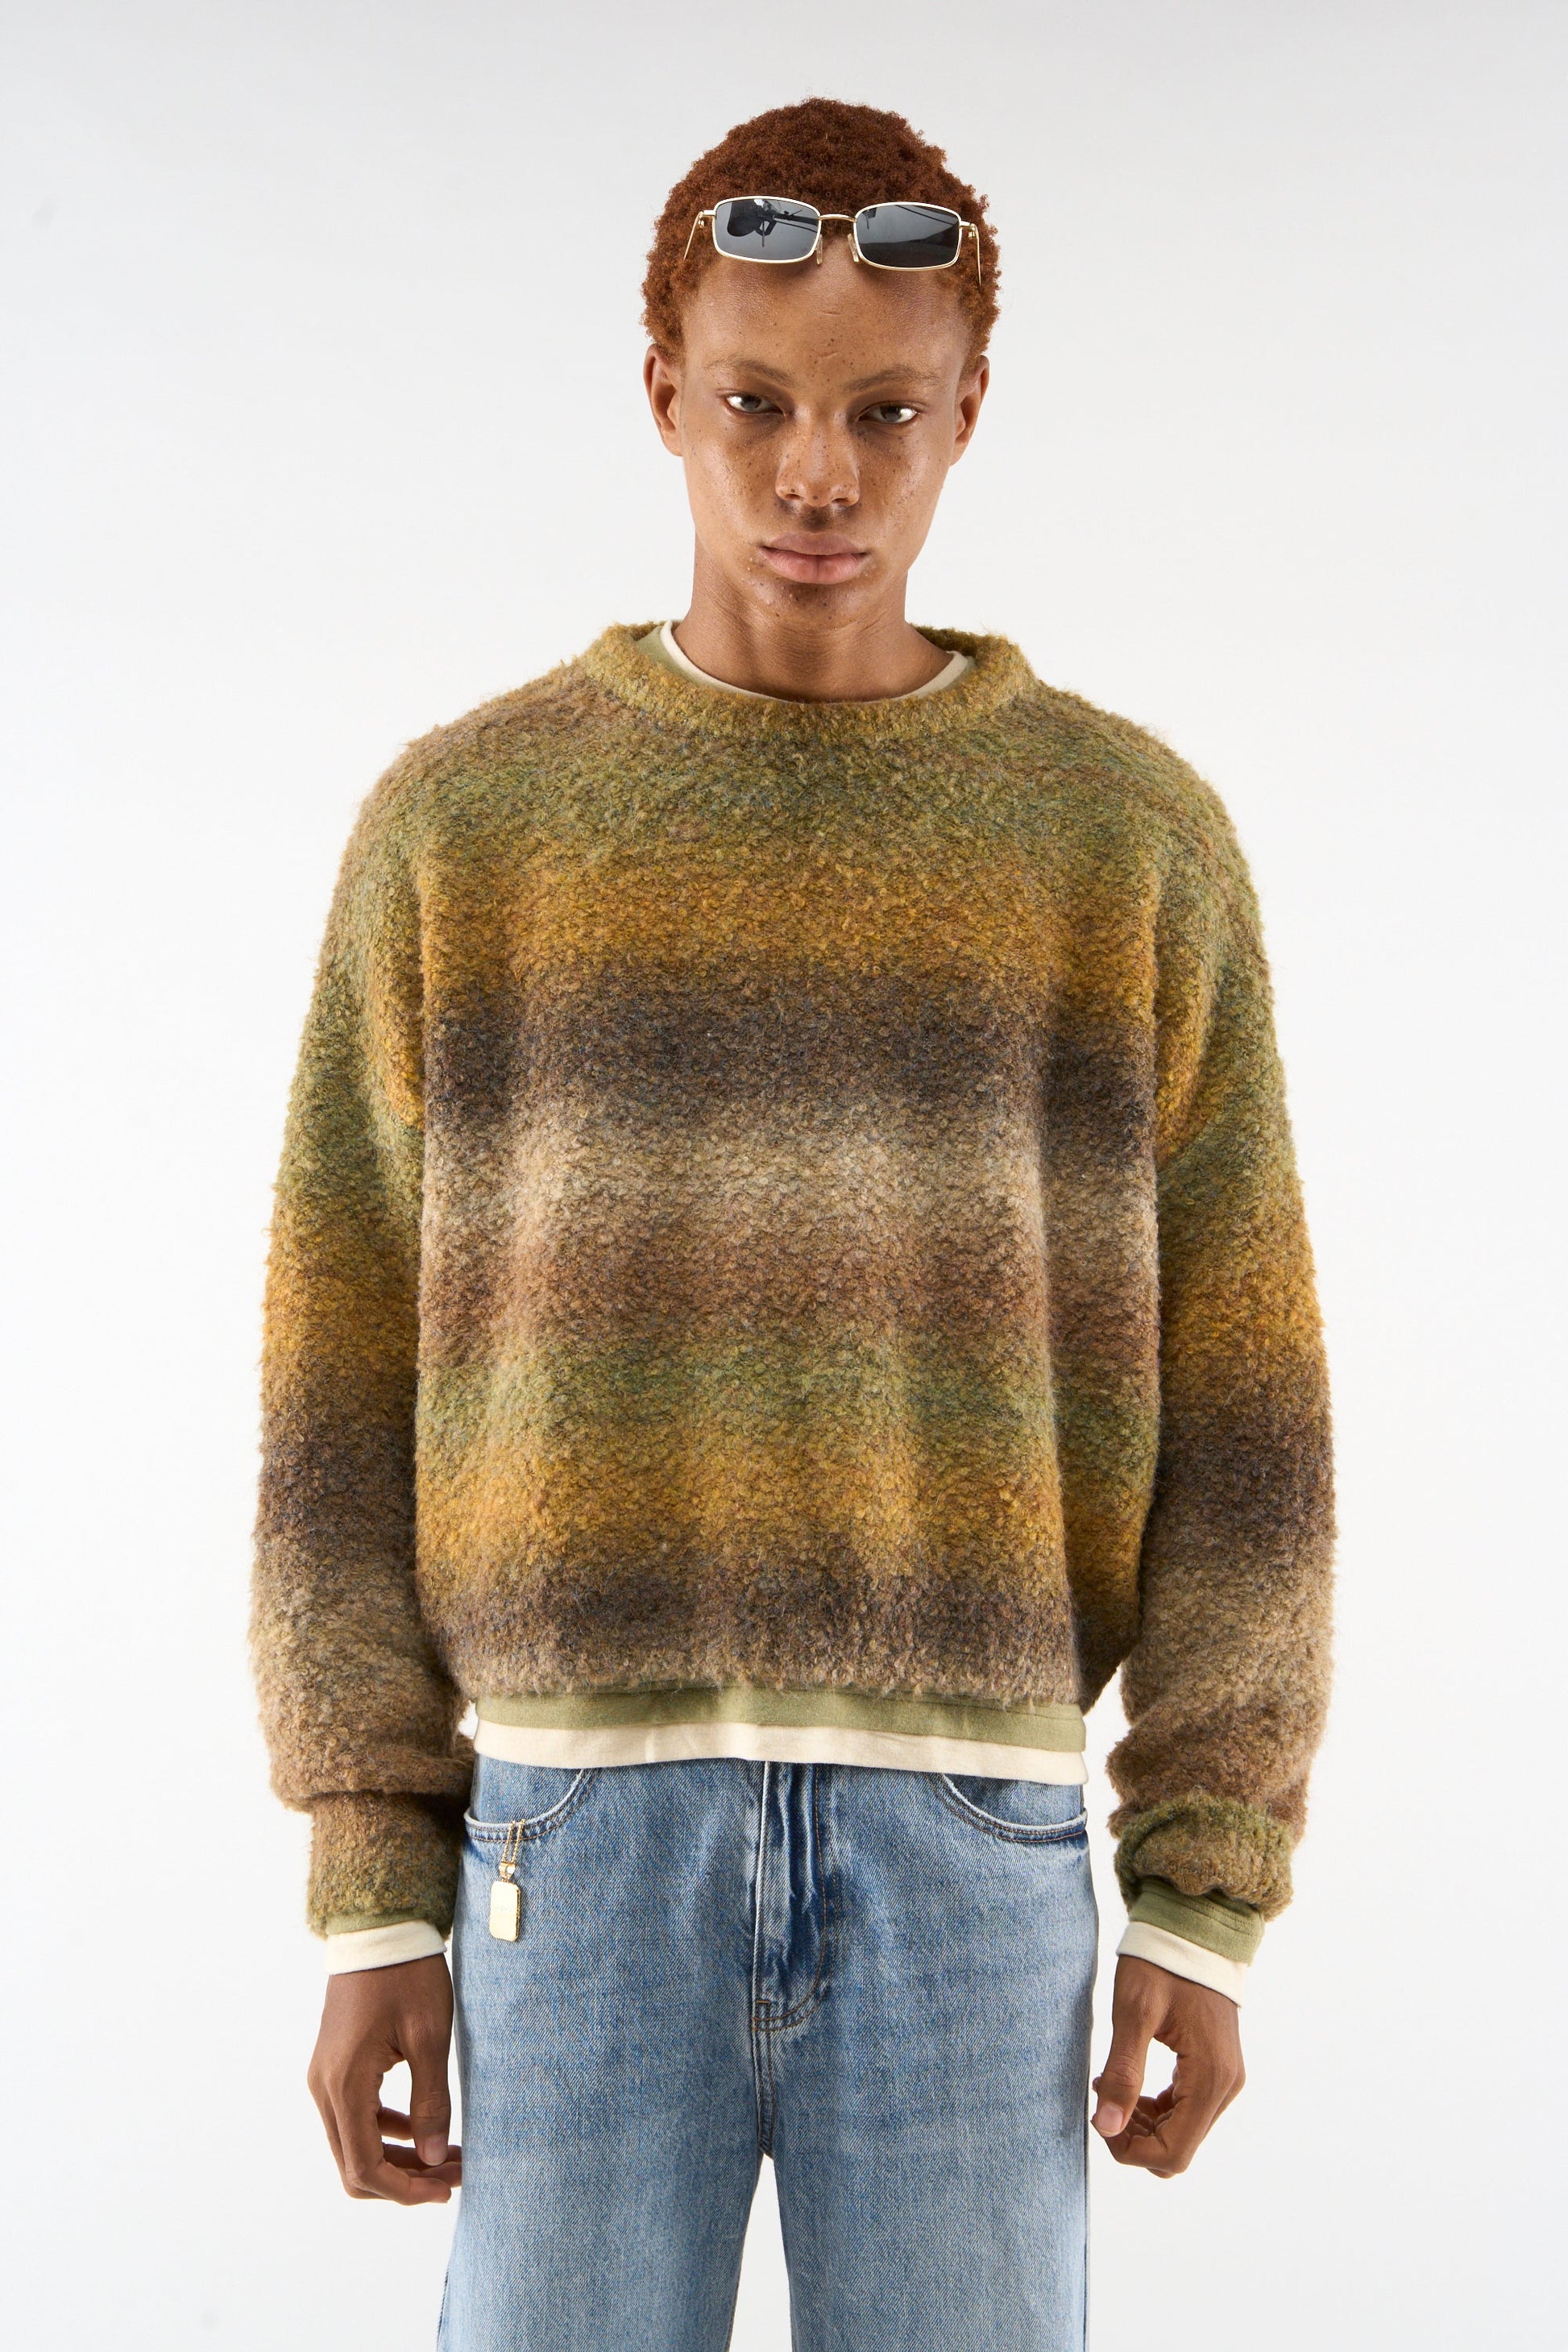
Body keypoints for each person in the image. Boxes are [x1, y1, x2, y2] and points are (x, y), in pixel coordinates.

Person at [251, 97, 1334, 2352]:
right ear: (663, 389)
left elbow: (1250, 1412)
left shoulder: (1123, 845)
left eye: (883, 414)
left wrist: (1204, 1886)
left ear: (969, 410)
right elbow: (334, 1383)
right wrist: (372, 1883)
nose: (817, 474)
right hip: (569, 1845)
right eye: (755, 402)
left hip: (977, 1847)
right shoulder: (468, 830)